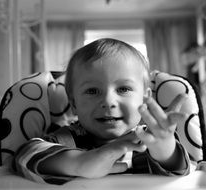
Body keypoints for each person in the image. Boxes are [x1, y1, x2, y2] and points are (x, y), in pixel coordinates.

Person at [12, 38, 190, 184]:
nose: (108, 101)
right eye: (92, 91)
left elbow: (177, 170)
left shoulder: (149, 138)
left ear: (145, 98)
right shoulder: (68, 138)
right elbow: (24, 155)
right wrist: (80, 163)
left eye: (123, 89)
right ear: (74, 104)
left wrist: (165, 147)